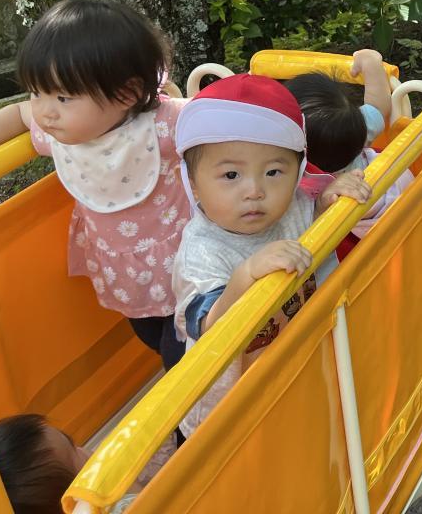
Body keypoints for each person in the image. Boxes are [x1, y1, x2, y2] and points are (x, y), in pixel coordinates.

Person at [0, 0, 189, 370]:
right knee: (150, 337)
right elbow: (17, 114)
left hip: (187, 263)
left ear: (126, 94)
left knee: (181, 354)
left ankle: (196, 403)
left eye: (62, 97)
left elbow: (220, 120)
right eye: (36, 92)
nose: (45, 111)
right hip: (127, 274)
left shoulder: (163, 126)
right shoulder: (58, 135)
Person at [172, 74, 370, 435]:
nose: (255, 190)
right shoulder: (201, 251)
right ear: (193, 183)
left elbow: (313, 239)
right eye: (231, 175)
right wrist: (246, 276)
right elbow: (209, 327)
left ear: (298, 171)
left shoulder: (293, 205)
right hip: (230, 410)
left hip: (291, 372)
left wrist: (326, 205)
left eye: (274, 171)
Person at [285, 49, 406, 260]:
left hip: (354, 234)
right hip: (395, 186)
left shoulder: (303, 185)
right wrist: (371, 64)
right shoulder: (354, 130)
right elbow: (379, 104)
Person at [0, 413, 147, 513]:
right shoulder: (122, 505)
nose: (83, 450)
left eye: (73, 444)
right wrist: (124, 480)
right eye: (75, 452)